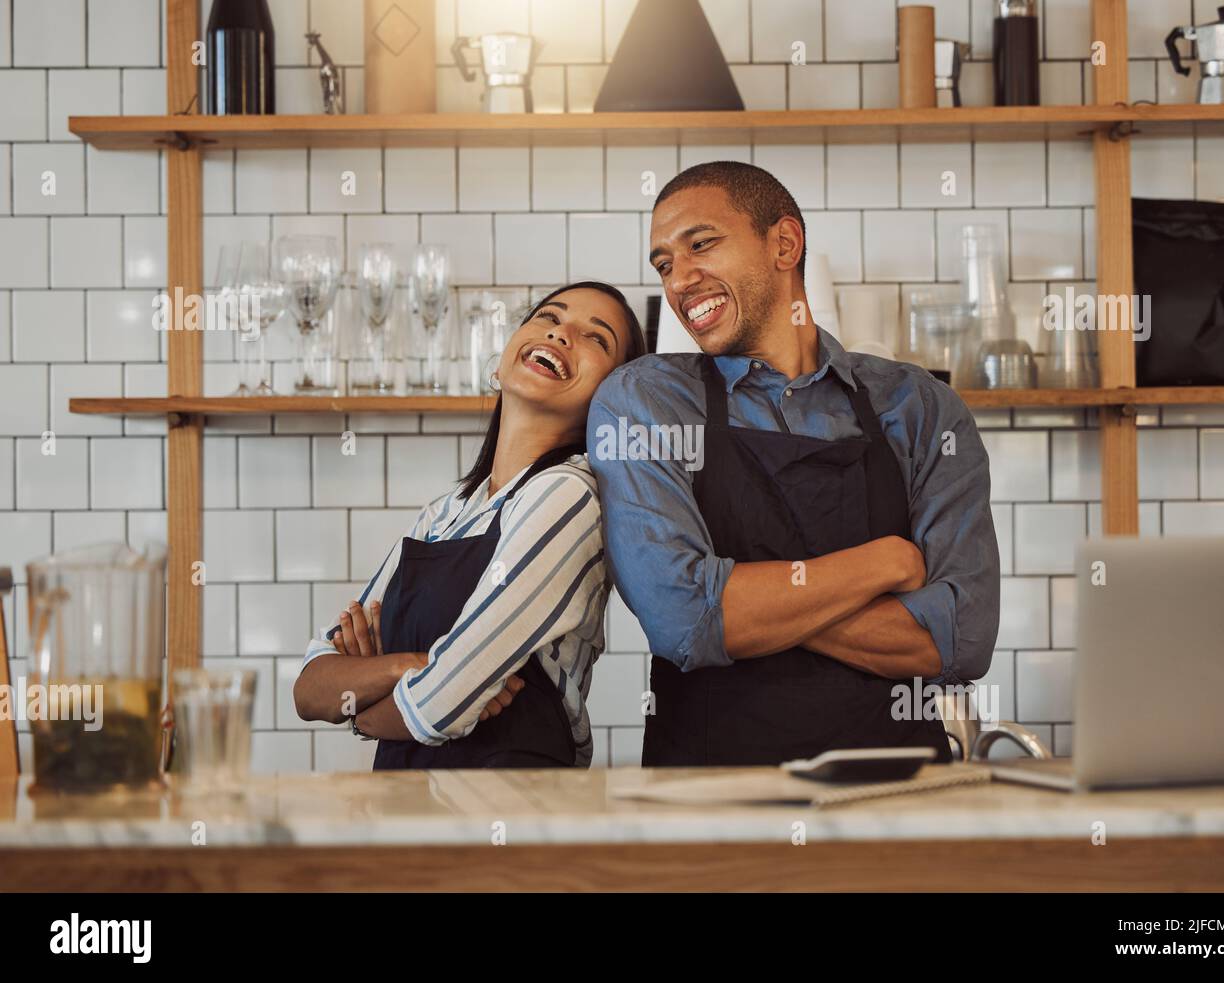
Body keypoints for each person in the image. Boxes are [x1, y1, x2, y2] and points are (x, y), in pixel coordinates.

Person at [587, 162, 1000, 767]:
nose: (680, 280)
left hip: (899, 796)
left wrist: (734, 601)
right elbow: (679, 620)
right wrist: (887, 563)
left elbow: (961, 640)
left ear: (784, 244)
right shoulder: (644, 400)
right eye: (664, 264)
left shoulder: (919, 407)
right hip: (710, 801)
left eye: (700, 244)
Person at [295, 282, 647, 768]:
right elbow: (311, 688)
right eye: (548, 317)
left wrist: (363, 697)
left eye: (596, 338)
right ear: (501, 360)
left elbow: (443, 702)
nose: (562, 334)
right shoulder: (442, 514)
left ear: (612, 395)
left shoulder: (570, 494)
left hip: (509, 810)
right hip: (405, 814)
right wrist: (409, 666)